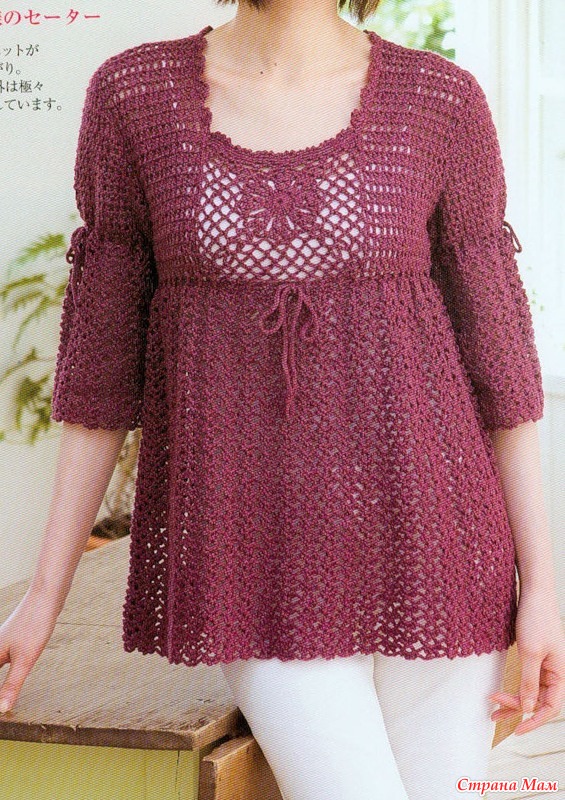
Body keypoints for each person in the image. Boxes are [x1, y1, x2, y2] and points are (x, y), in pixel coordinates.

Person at [1, 0, 564, 798]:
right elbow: (99, 382)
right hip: (253, 568)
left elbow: (501, 371)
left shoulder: (440, 100)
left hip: (440, 551)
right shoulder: (133, 97)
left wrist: (541, 589)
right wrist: (43, 598)